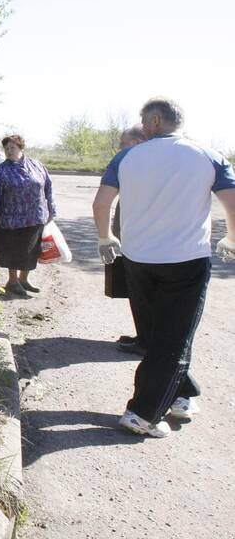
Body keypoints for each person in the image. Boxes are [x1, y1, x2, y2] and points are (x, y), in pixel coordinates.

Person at [92, 97, 235, 438]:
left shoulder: (127, 156)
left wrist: (105, 238)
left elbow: (101, 202)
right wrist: (231, 239)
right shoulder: (209, 156)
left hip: (138, 259)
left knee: (159, 333)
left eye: (143, 121)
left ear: (155, 121)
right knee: (174, 337)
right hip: (186, 260)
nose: (141, 127)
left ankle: (183, 395)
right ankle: (142, 413)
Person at [0, 134, 56, 296]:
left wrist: (52, 209)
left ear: (20, 148)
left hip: (35, 217)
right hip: (11, 219)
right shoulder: (1, 171)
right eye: (6, 148)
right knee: (13, 251)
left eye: (12, 147)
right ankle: (12, 281)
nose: (9, 151)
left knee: (30, 251)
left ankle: (23, 280)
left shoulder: (37, 165)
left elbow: (48, 187)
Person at [110, 124, 147, 354]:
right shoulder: (134, 164)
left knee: (144, 295)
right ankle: (145, 337)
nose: (120, 148)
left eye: (123, 143)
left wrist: (107, 236)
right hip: (134, 241)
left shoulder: (138, 165)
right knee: (139, 295)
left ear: (137, 143)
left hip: (141, 243)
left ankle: (148, 342)